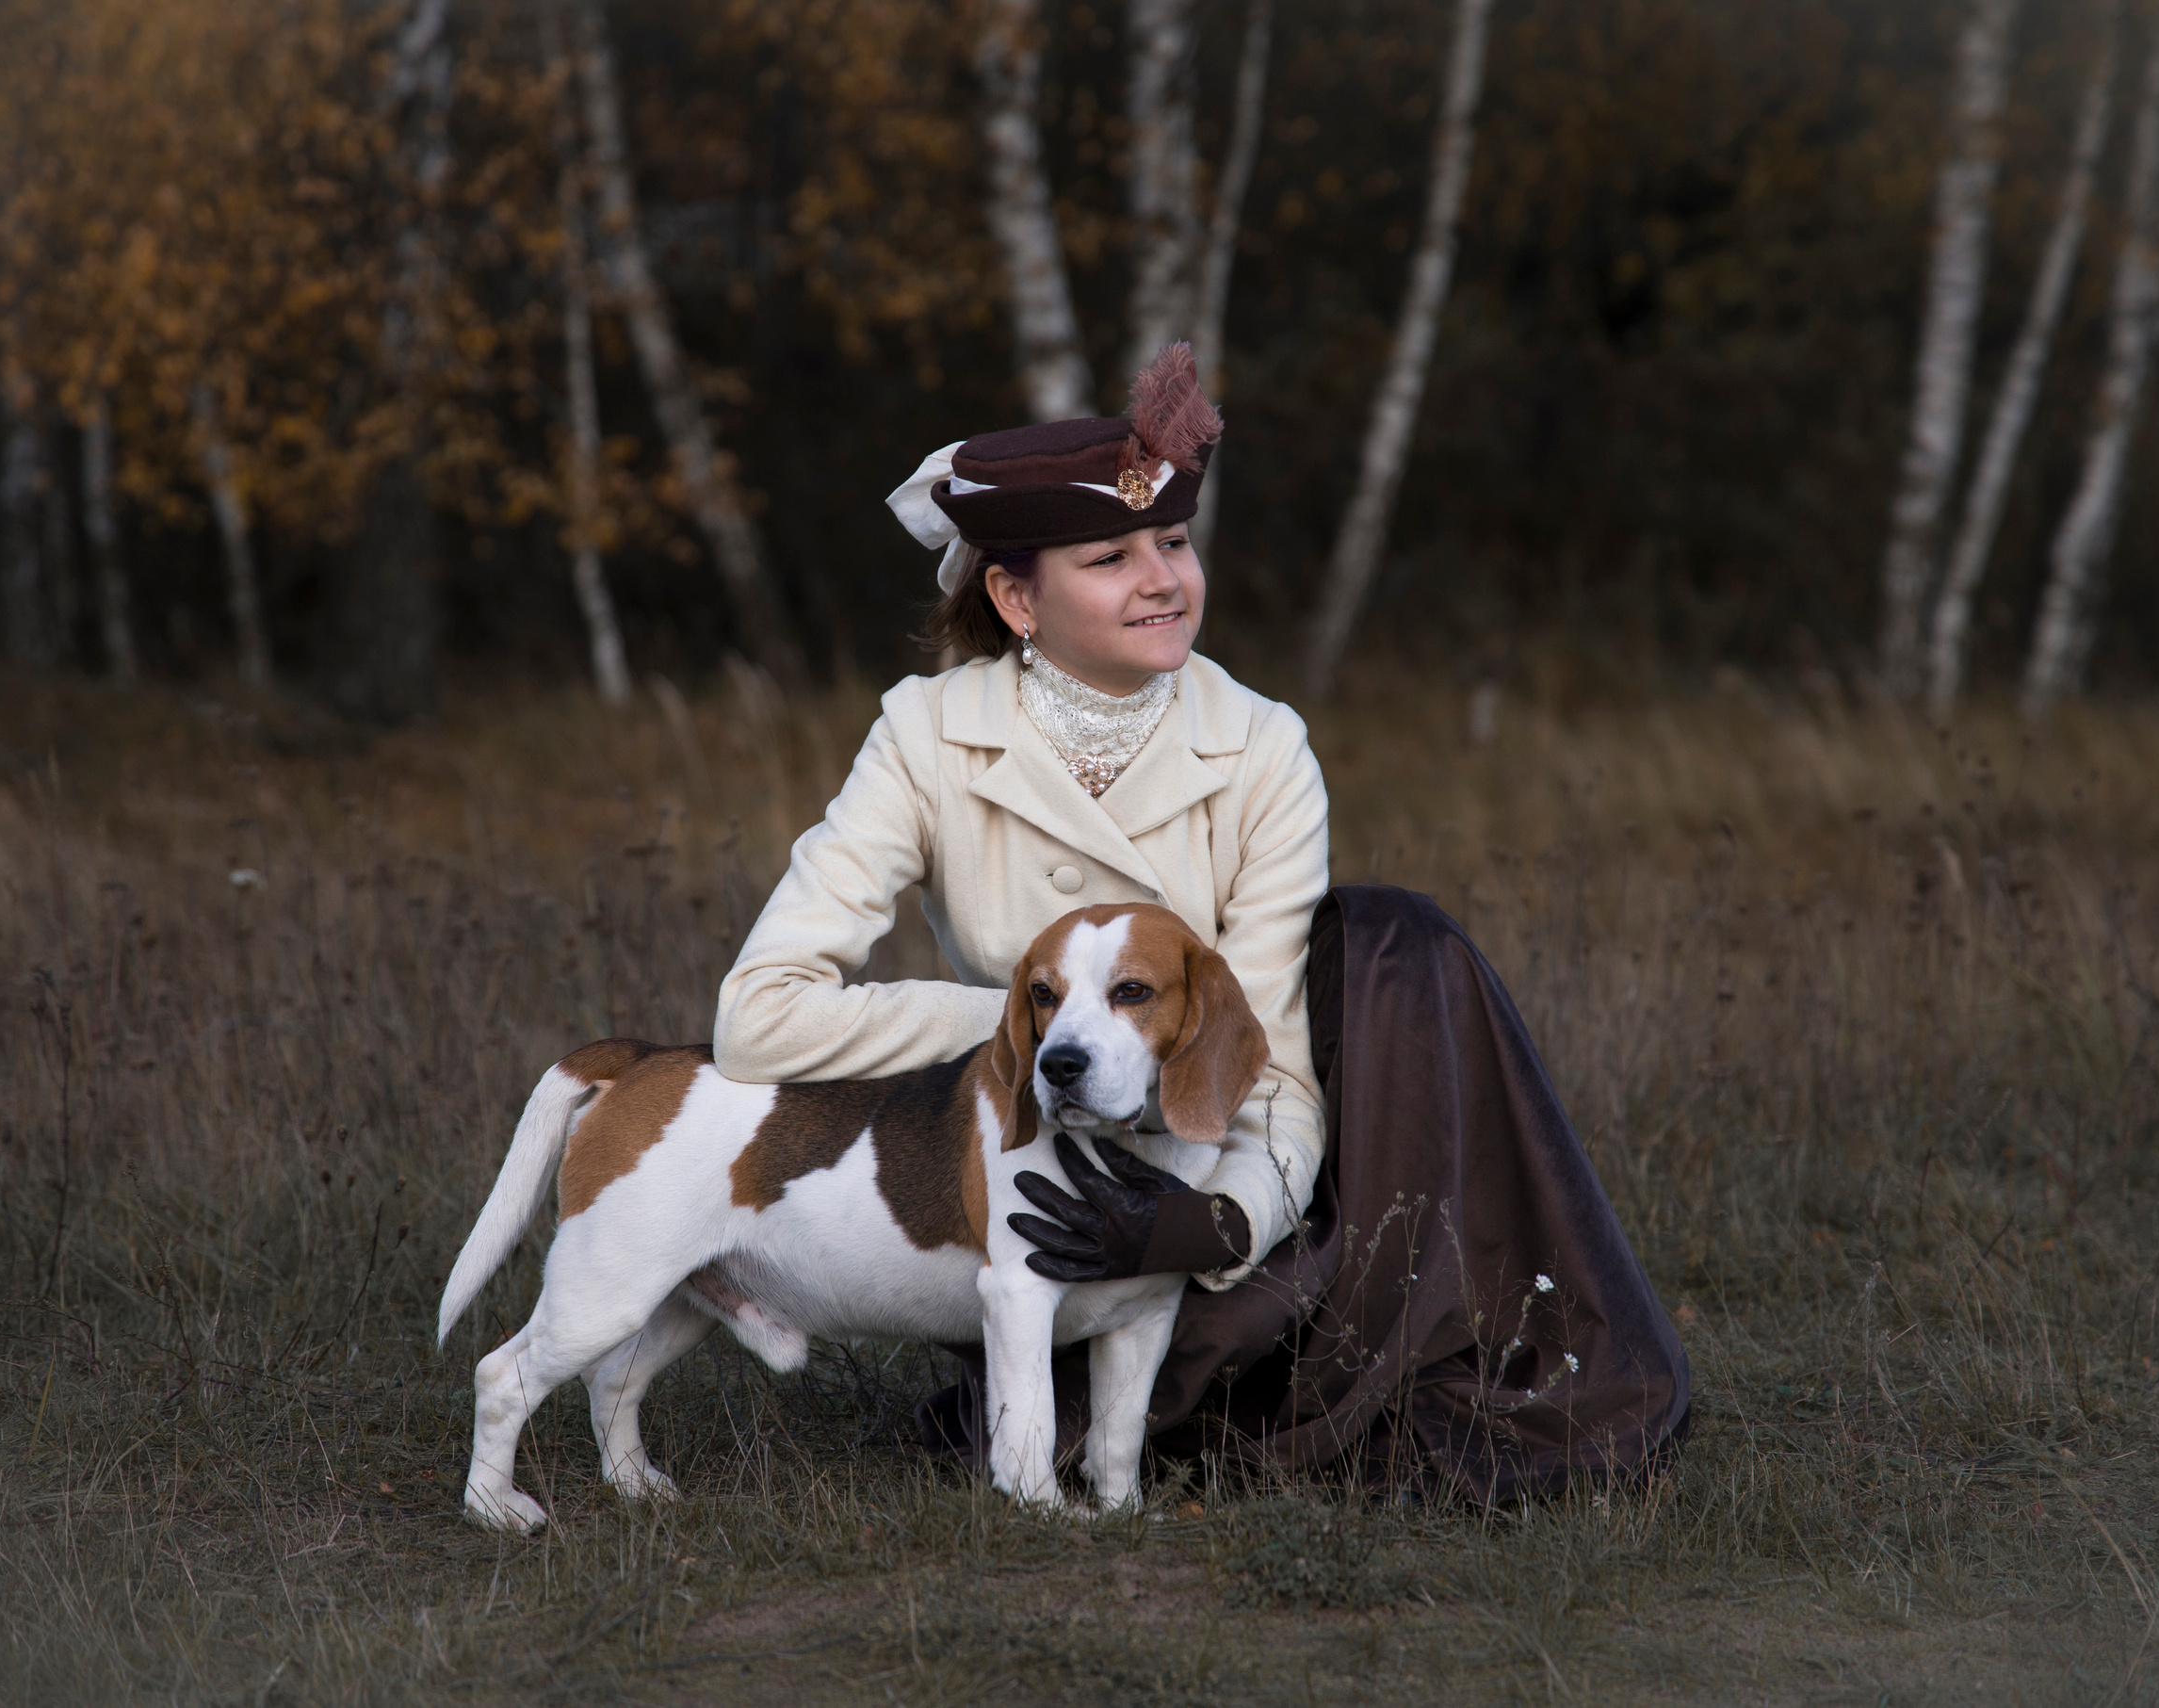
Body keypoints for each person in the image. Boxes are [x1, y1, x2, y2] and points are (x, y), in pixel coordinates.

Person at [714, 344, 1687, 1499]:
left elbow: (1269, 1064)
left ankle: (1343, 1326)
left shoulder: (1263, 743)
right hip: (1048, 1163)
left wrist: (1218, 1224)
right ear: (1016, 596)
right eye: (1110, 555)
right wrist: (1041, 1037)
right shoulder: (926, 733)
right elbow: (759, 1017)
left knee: (1394, 934)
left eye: (1174, 542)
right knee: (1089, 1342)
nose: (1162, 577)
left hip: (1234, 1145)